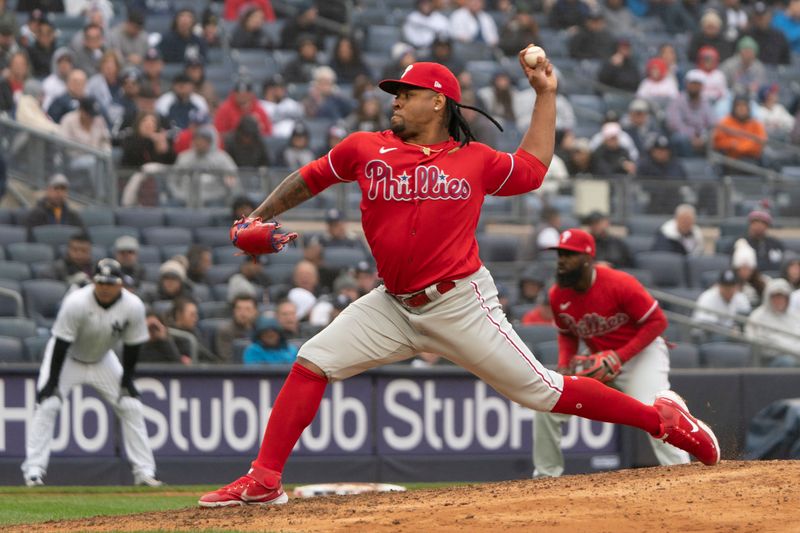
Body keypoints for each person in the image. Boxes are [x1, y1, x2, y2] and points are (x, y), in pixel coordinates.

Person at [200, 57, 719, 507]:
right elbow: (309, 178)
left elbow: (534, 168)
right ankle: (264, 480)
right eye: (395, 94)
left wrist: (546, 94)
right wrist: (255, 217)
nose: (396, 102)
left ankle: (664, 421)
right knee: (312, 362)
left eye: (408, 94)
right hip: (392, 305)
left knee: (542, 392)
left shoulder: (474, 159)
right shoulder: (365, 148)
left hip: (459, 302)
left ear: (440, 103)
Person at [533, 229, 690, 477]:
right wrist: (564, 363)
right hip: (599, 360)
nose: (561, 260)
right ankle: (545, 475)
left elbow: (658, 322)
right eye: (560, 254)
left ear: (587, 258)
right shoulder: (557, 295)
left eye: (569, 255)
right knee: (547, 404)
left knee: (657, 412)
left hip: (641, 356)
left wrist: (620, 356)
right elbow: (567, 332)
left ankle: (682, 472)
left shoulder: (619, 283)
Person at [21, 259, 161, 487]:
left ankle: (144, 473)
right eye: (100, 282)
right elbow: (61, 344)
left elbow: (133, 345)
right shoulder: (76, 302)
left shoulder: (133, 305)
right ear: (93, 282)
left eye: (110, 283)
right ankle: (33, 472)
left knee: (131, 405)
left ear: (120, 284)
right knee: (48, 404)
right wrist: (52, 382)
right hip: (68, 358)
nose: (105, 288)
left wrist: (127, 380)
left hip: (102, 359)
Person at [745, 278, 800, 366]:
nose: (779, 301)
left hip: (796, 355)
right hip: (769, 361)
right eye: (775, 297)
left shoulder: (795, 315)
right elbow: (757, 343)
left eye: (782, 297)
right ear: (768, 297)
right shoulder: (757, 317)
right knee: (788, 362)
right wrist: (787, 347)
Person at [665, 69, 716, 157]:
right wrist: (692, 137)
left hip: (702, 137)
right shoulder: (678, 100)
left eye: (697, 84)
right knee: (679, 139)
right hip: (684, 137)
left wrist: (703, 138)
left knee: (717, 139)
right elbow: (674, 124)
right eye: (692, 83)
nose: (694, 87)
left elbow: (713, 123)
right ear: (686, 84)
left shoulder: (706, 102)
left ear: (702, 86)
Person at [713, 95, 767, 164]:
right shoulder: (725, 122)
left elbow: (762, 143)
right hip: (731, 163)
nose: (741, 108)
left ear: (748, 108)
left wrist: (741, 146)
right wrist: (731, 143)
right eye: (738, 105)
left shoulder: (756, 124)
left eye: (744, 105)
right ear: (734, 107)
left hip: (753, 161)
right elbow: (717, 143)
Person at [215, 295, 259, 363]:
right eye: (239, 309)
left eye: (248, 309)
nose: (243, 313)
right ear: (234, 311)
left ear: (255, 312)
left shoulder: (260, 329)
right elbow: (227, 359)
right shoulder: (226, 331)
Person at [740, 207, 785, 271]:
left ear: (767, 226)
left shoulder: (775, 243)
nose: (758, 226)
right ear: (750, 224)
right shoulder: (740, 242)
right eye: (755, 222)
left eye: (763, 223)